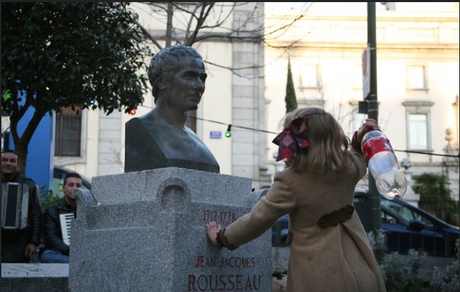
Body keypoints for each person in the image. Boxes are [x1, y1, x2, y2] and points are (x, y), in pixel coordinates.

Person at [205, 107, 387, 292]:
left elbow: (259, 218)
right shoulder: (348, 168)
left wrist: (224, 238)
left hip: (318, 275)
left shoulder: (290, 180)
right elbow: (359, 158)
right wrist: (358, 139)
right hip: (360, 268)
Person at [125, 44, 220, 174]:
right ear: (160, 82)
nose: (199, 85)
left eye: (202, 78)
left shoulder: (197, 142)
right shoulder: (140, 129)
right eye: (189, 76)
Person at [1, 149, 42, 263]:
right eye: (4, 160)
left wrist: (32, 242)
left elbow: (36, 216)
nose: (8, 163)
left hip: (19, 243)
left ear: (18, 166)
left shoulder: (29, 185)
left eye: (12, 161)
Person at [40, 172, 82, 263]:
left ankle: (77, 263)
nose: (75, 188)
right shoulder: (52, 211)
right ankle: (77, 264)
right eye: (71, 185)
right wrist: (70, 250)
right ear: (63, 188)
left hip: (82, 252)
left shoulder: (86, 210)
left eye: (78, 185)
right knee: (47, 255)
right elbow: (51, 237)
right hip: (60, 252)